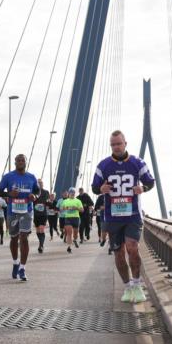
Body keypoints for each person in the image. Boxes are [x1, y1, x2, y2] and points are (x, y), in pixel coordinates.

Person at [92, 129, 156, 303]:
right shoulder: (103, 165)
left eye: (119, 143)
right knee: (118, 253)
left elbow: (151, 182)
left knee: (132, 248)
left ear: (125, 143)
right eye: (113, 144)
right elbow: (95, 188)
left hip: (133, 215)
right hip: (113, 217)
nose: (116, 147)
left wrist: (143, 188)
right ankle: (127, 287)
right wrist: (101, 190)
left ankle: (137, 285)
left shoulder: (137, 163)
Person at [0, 154, 40, 282]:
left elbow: (38, 191)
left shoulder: (31, 177)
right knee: (14, 238)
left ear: (26, 162)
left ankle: (22, 268)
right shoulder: (8, 176)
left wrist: (35, 196)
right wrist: (9, 193)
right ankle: (15, 262)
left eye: (23, 160)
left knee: (24, 237)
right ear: (15, 162)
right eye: (18, 160)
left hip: (27, 211)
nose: (21, 162)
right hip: (12, 211)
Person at [58, 187, 83, 254]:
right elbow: (61, 209)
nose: (72, 194)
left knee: (75, 234)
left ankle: (75, 240)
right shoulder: (65, 201)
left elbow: (82, 210)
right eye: (71, 192)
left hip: (76, 218)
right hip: (68, 218)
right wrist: (65, 208)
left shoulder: (78, 201)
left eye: (73, 192)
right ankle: (69, 247)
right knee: (69, 233)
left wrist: (76, 208)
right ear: (69, 193)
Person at [33, 180, 51, 254]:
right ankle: (41, 243)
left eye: (41, 183)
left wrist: (49, 203)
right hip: (35, 214)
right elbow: (32, 201)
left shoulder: (46, 192)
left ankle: (41, 245)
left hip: (43, 214)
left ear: (43, 184)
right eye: (38, 183)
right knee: (37, 231)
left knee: (41, 229)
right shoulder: (33, 192)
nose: (40, 184)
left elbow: (46, 200)